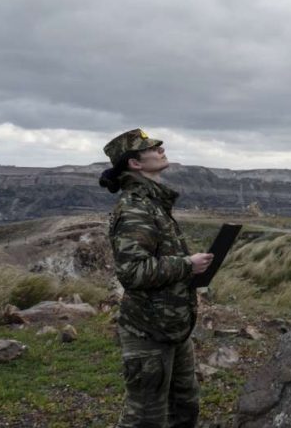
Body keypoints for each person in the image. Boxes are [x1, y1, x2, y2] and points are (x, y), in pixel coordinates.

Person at [100, 128, 214, 428]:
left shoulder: (153, 202)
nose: (161, 149)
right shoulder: (135, 208)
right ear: (136, 164)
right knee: (146, 417)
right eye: (152, 148)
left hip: (174, 328)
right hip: (148, 332)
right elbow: (132, 272)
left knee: (184, 407)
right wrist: (187, 265)